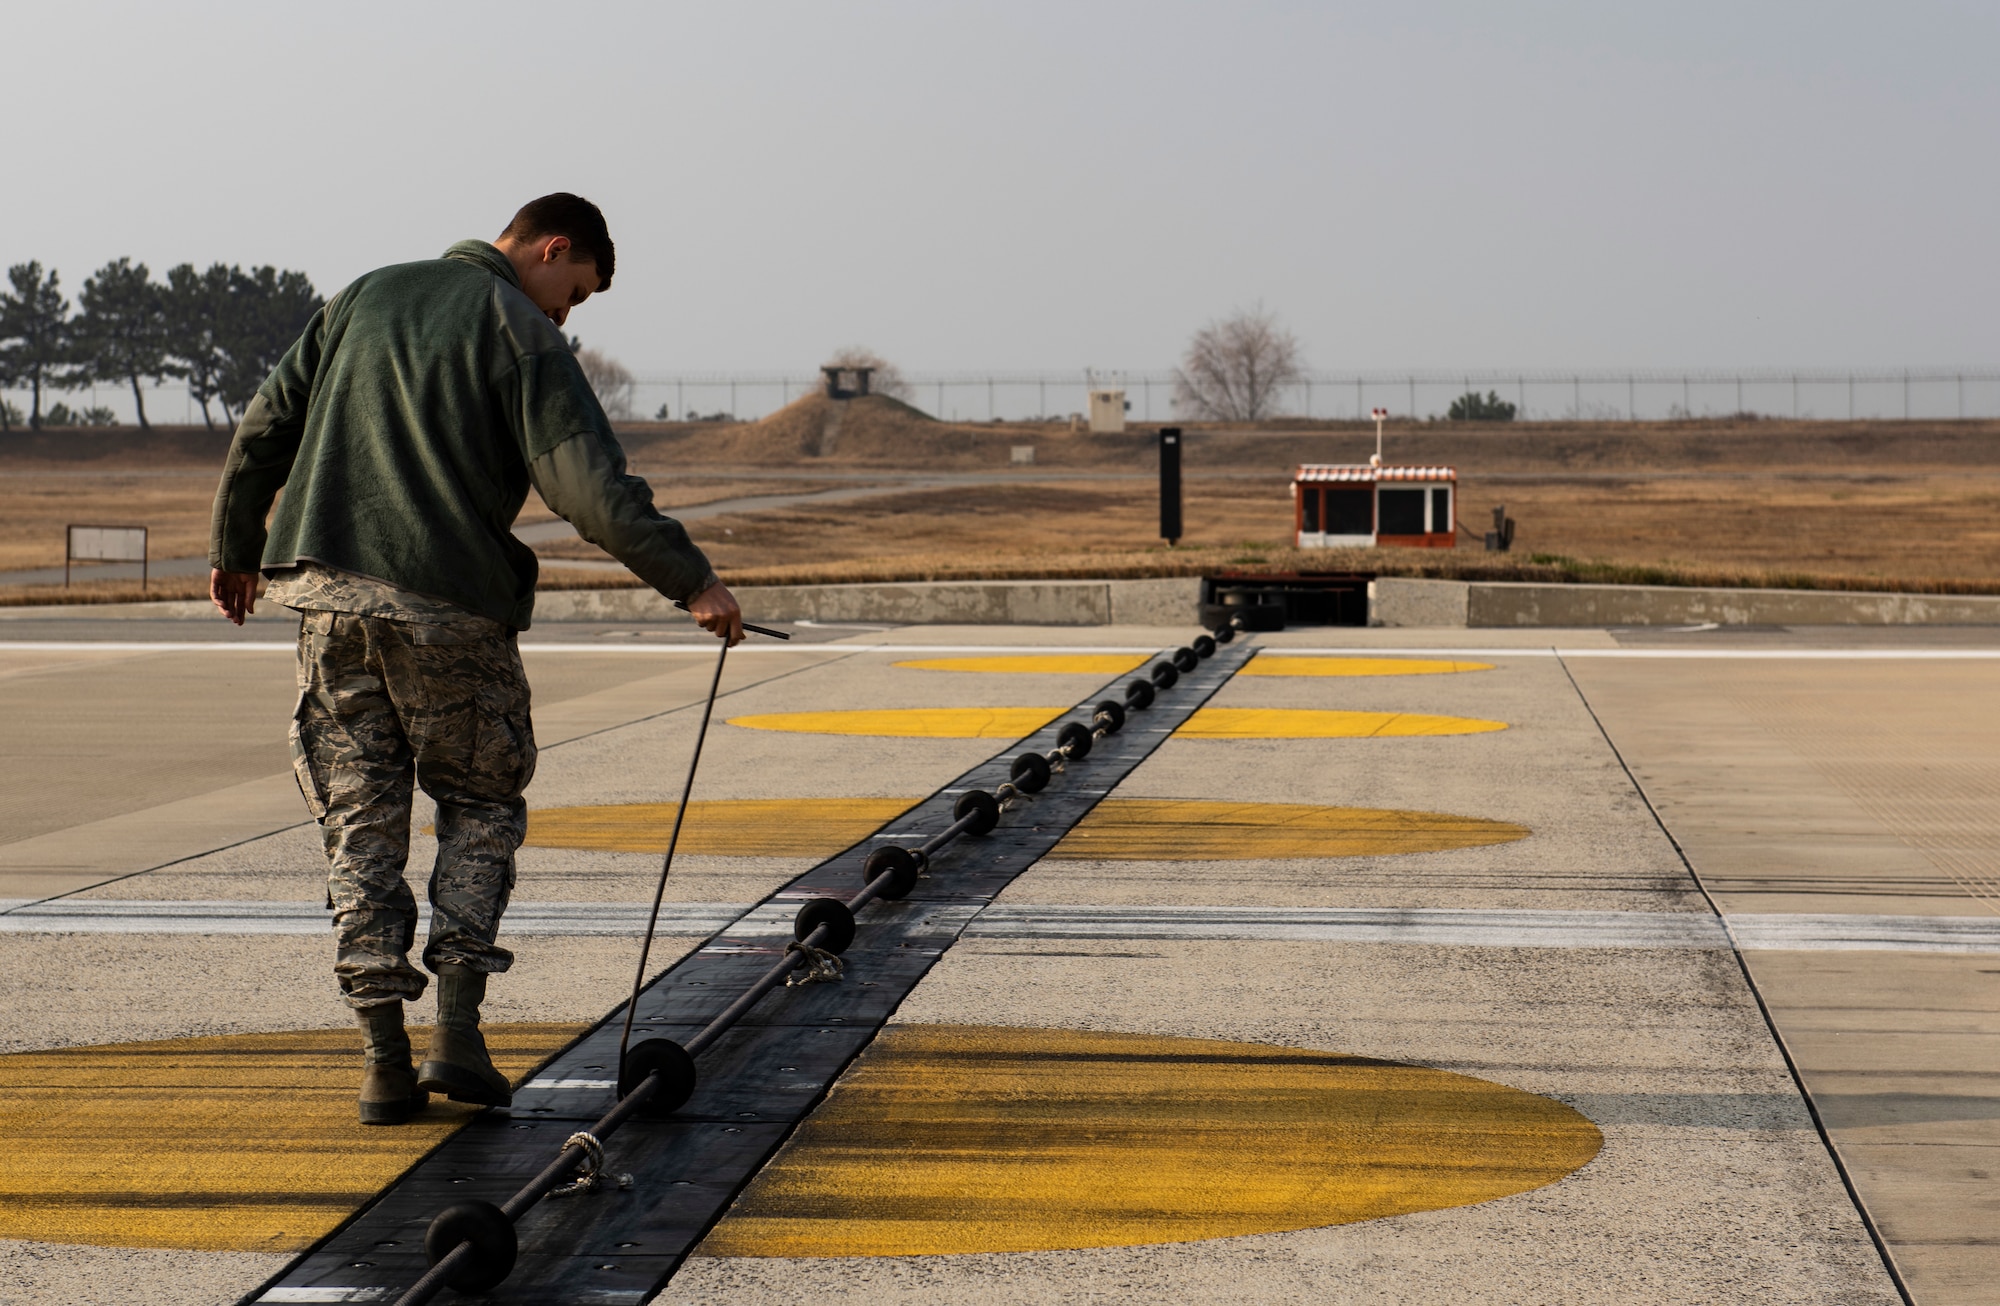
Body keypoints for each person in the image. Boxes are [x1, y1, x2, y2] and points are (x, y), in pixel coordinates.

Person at [207, 193, 741, 1125]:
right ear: (550, 248)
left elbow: (264, 427)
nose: (563, 315)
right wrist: (692, 582)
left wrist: (233, 547)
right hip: (449, 607)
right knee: (480, 806)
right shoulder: (517, 329)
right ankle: (457, 1034)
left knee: (359, 825)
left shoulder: (361, 297)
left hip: (325, 600)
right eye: (570, 293)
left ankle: (381, 1060)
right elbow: (588, 483)